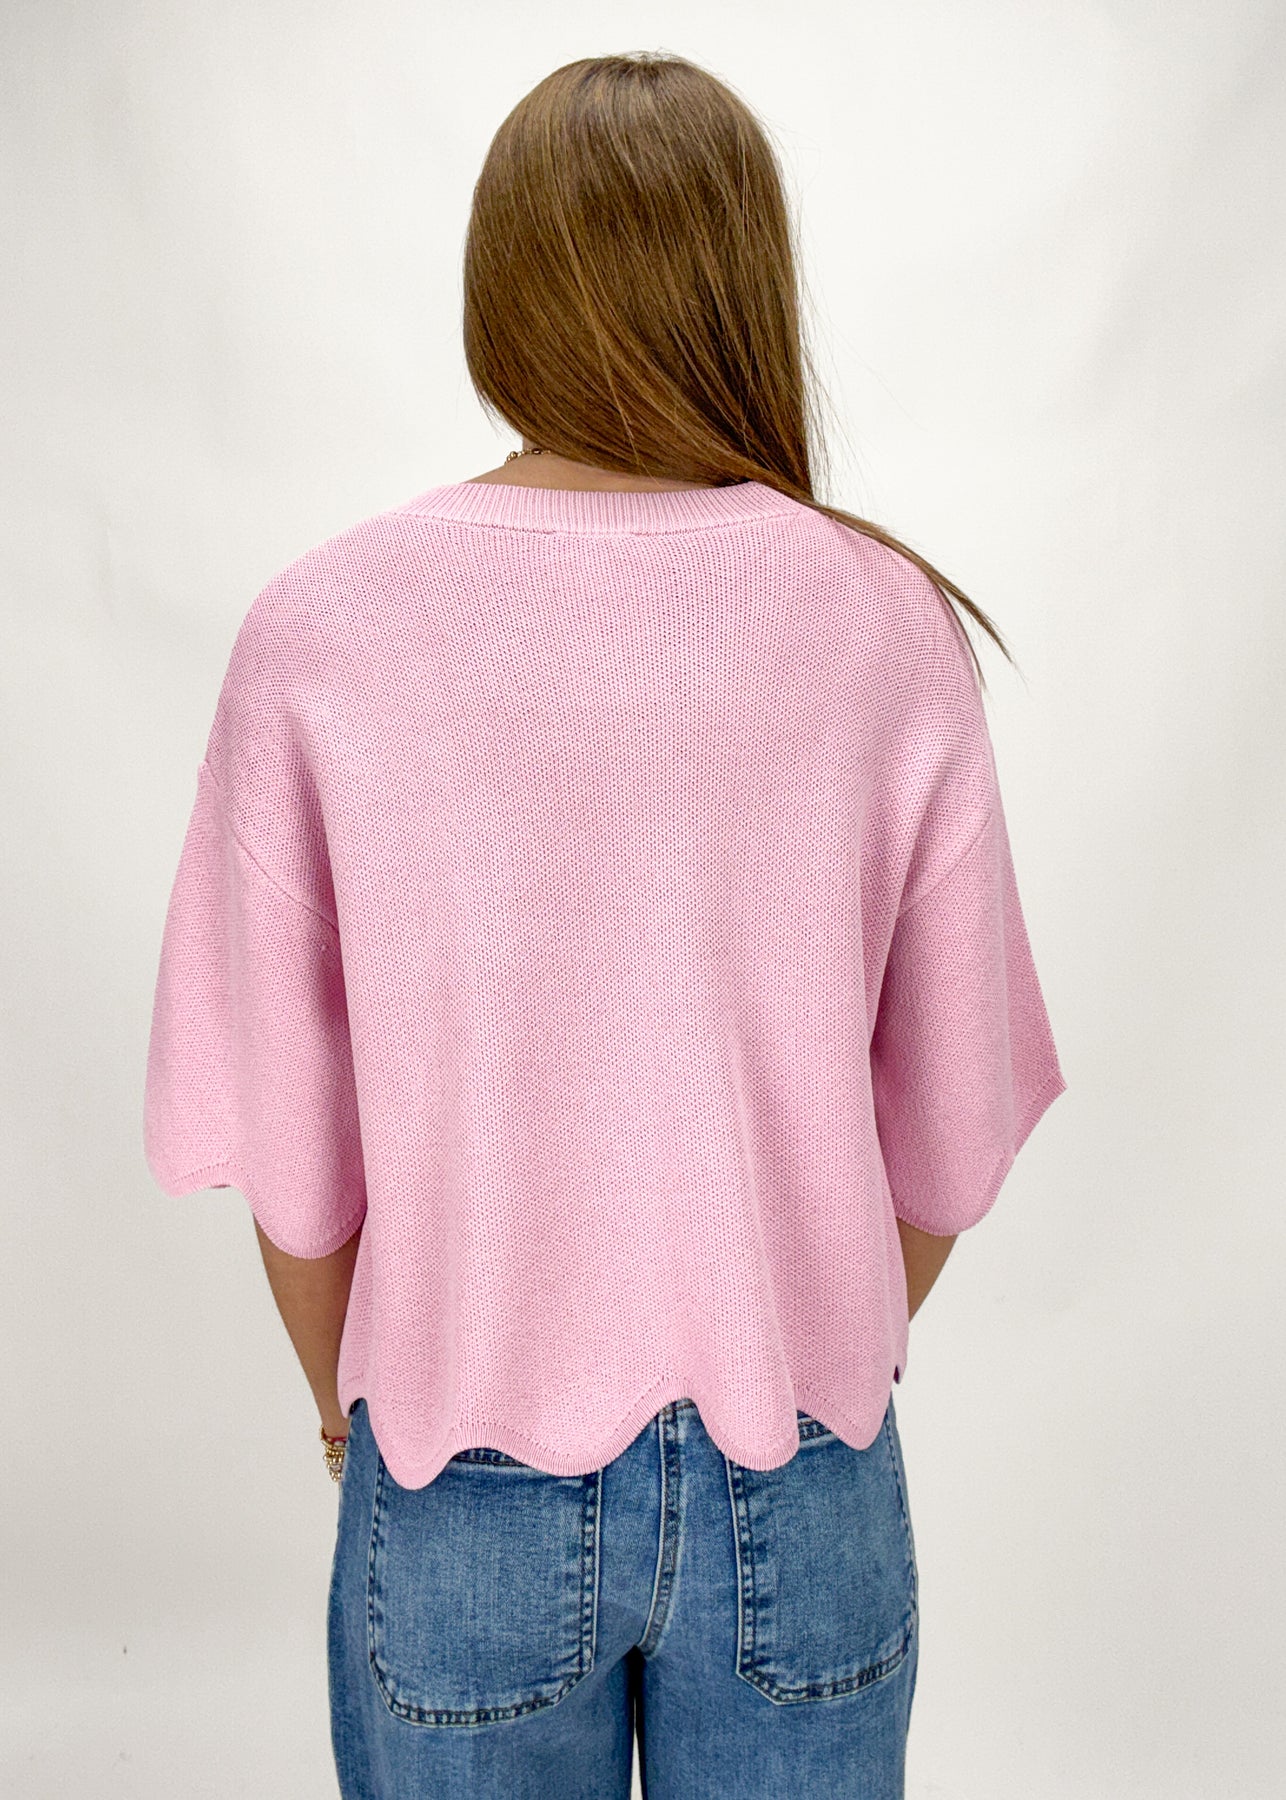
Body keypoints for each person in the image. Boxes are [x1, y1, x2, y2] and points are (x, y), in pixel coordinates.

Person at [143, 49, 1067, 1800]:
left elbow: (288, 1153)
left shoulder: (320, 630)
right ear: (745, 283)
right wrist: (792, 1329)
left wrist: (351, 1405)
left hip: (456, 1469)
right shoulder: (883, 622)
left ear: (496, 288)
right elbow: (950, 1140)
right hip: (802, 1473)